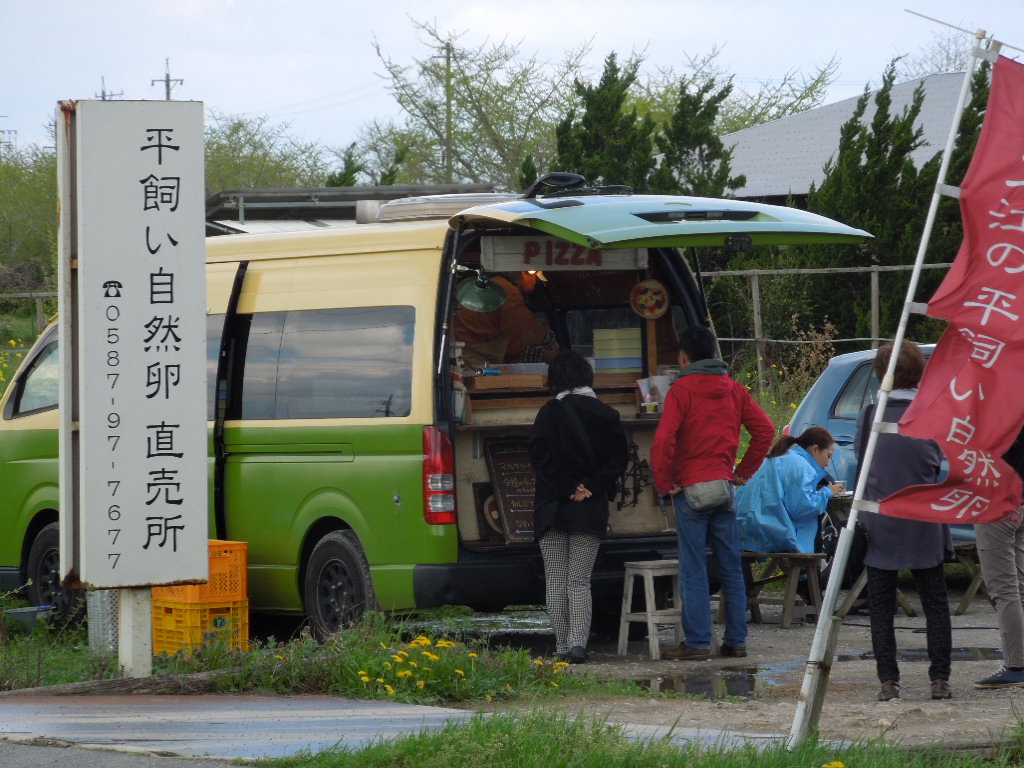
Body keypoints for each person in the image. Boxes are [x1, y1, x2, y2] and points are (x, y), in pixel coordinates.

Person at [651, 325, 775, 660]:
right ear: (715, 354)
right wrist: (742, 472)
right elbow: (765, 430)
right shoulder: (735, 389)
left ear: (684, 356)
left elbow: (663, 441)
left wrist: (666, 483)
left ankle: (698, 643)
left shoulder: (681, 390)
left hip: (690, 491)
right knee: (731, 567)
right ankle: (736, 641)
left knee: (694, 569)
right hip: (724, 489)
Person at [855, 340, 953, 702]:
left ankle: (888, 681)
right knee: (935, 602)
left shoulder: (870, 415)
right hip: (925, 520)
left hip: (883, 521)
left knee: (881, 606)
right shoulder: (933, 411)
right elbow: (939, 458)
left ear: (882, 374)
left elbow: (864, 458)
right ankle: (939, 679)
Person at [528, 350, 627, 663]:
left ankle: (560, 646)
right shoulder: (608, 415)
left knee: (556, 580)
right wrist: (589, 487)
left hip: (552, 507)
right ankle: (577, 645)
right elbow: (618, 461)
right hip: (589, 508)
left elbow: (539, 460)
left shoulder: (548, 413)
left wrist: (568, 487)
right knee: (579, 580)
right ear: (587, 377)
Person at [736, 427, 845, 554]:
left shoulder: (784, 456)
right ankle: (805, 571)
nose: (828, 463)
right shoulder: (802, 467)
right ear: (815, 449)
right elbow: (802, 508)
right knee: (812, 528)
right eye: (828, 456)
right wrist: (827, 492)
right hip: (767, 529)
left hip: (743, 526)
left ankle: (804, 571)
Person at [973, 428, 1024, 689]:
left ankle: (1016, 665)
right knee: (1019, 586)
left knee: (1004, 588)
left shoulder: (997, 410)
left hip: (996, 503)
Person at [454, 271, 558, 367]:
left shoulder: (490, 287)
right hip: (472, 361)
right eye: (531, 273)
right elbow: (527, 330)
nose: (535, 279)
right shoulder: (505, 290)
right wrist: (549, 342)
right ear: (519, 272)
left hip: (465, 357)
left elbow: (510, 342)